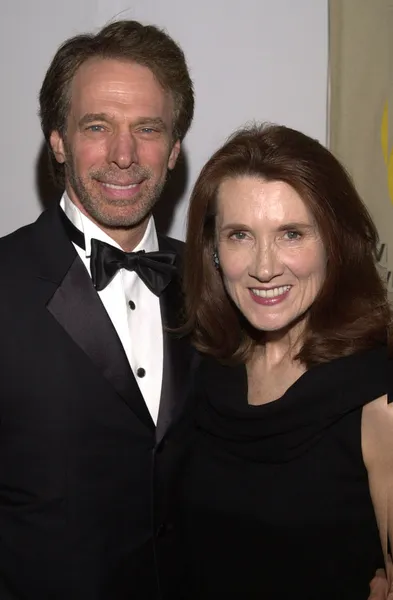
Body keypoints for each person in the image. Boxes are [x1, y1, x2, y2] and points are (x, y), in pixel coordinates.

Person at [0, 20, 196, 599]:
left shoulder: (220, 283)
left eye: (148, 128)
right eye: (96, 126)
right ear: (58, 140)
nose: (123, 154)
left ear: (175, 148)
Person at [176, 123, 393, 598]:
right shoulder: (203, 367)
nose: (265, 266)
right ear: (213, 251)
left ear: (335, 243)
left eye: (291, 234)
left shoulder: (379, 399)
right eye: (240, 236)